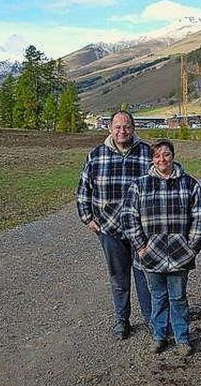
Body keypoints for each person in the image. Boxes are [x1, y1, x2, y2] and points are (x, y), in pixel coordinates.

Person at [121, 139, 201, 357]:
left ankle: (182, 338)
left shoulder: (189, 184)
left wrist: (192, 248)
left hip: (180, 255)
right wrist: (141, 246)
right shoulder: (139, 185)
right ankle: (159, 336)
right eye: (157, 155)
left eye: (166, 155)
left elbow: (199, 218)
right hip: (151, 255)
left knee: (178, 297)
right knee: (157, 297)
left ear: (173, 156)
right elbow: (129, 218)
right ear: (152, 158)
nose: (162, 160)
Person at [76, 110, 152, 340]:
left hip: (141, 230)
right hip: (109, 229)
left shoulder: (147, 153)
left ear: (133, 127)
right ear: (110, 129)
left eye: (126, 126)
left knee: (145, 276)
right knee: (118, 277)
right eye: (117, 127)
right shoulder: (96, 155)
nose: (122, 131)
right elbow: (83, 190)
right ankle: (122, 320)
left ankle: (152, 320)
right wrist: (87, 218)